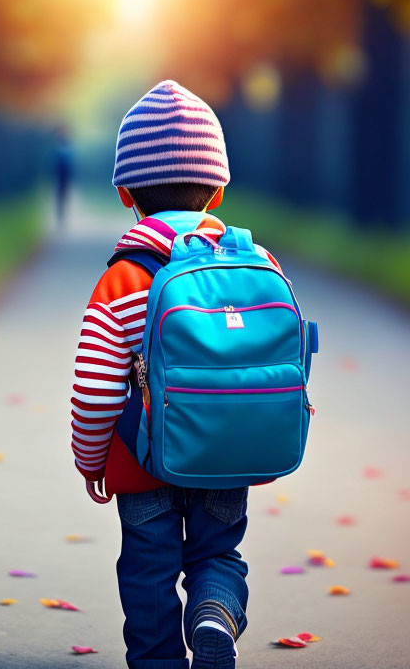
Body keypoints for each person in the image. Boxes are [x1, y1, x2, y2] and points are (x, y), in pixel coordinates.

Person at [70, 80, 279, 669]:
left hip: (142, 463)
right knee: (219, 553)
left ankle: (159, 660)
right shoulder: (256, 263)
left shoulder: (124, 278)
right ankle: (214, 612)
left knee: (147, 568)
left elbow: (93, 388)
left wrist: (92, 460)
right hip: (225, 452)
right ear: (216, 189)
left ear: (123, 192)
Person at [52, 125, 73, 226]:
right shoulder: (60, 148)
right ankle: (60, 217)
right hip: (60, 177)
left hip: (64, 177)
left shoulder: (63, 148)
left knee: (62, 197)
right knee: (60, 197)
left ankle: (62, 217)